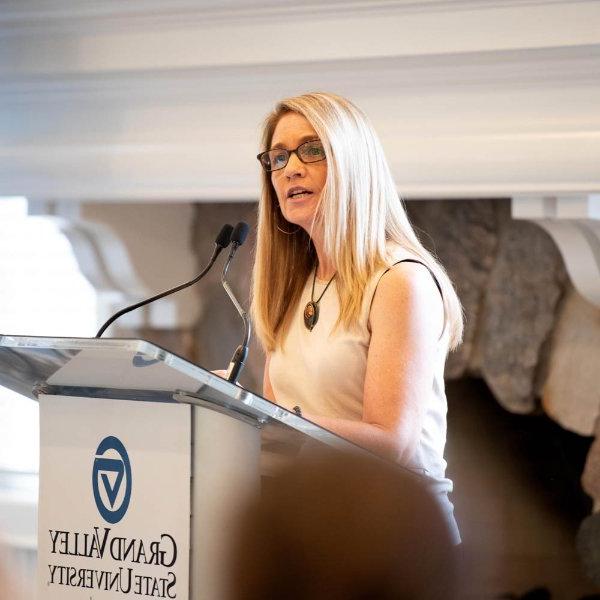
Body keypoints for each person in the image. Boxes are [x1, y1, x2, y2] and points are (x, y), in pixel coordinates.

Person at [251, 91, 464, 539]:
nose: (291, 168)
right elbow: (272, 426)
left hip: (398, 539)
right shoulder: (290, 286)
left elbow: (393, 444)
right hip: (315, 527)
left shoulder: (399, 281)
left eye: (313, 150)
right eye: (278, 157)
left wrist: (270, 418)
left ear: (353, 164)